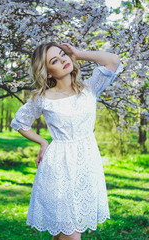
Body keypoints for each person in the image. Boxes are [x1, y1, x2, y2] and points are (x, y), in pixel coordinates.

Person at [10, 42, 123, 240]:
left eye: (63, 54)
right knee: (71, 234)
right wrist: (43, 143)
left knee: (64, 231)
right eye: (54, 60)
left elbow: (113, 61)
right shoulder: (42, 98)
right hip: (58, 168)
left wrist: (78, 53)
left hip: (87, 165)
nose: (63, 60)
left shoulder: (89, 88)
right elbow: (20, 122)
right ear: (48, 72)